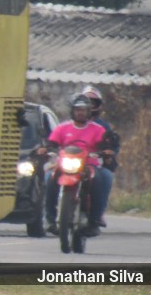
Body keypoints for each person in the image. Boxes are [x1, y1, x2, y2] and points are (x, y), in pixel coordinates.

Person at [38, 94, 113, 238]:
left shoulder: (97, 129)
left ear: (89, 112)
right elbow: (52, 144)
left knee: (103, 178)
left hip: (89, 165)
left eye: (84, 110)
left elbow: (105, 145)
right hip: (64, 165)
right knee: (49, 178)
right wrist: (46, 149)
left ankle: (94, 220)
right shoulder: (62, 128)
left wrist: (106, 152)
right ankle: (50, 219)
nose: (80, 112)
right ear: (72, 111)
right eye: (78, 109)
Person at [82, 85, 119, 227]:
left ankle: (97, 214)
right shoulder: (68, 125)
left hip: (94, 163)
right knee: (49, 177)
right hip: (70, 163)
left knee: (106, 177)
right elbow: (55, 142)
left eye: (92, 102)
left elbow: (112, 145)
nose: (88, 106)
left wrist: (108, 153)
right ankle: (52, 216)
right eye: (85, 102)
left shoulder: (102, 127)